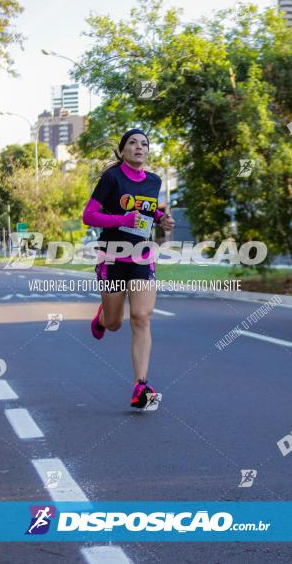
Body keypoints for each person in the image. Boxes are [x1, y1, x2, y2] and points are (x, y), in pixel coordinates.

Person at [81, 129, 174, 409]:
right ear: (122, 150)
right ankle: (102, 317)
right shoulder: (111, 178)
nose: (138, 147)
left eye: (144, 144)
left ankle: (140, 386)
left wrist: (162, 219)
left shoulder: (154, 181)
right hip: (112, 256)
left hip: (141, 255)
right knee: (114, 323)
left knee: (141, 317)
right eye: (132, 143)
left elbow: (149, 210)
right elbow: (89, 215)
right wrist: (123, 218)